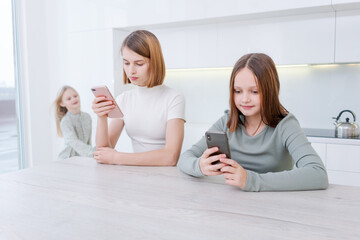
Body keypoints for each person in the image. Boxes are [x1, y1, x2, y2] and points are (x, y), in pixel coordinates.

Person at [177, 53, 328, 192]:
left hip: (274, 206)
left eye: (254, 91)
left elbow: (317, 174)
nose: (245, 99)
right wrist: (200, 166)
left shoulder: (285, 125)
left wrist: (251, 180)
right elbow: (186, 158)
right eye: (238, 91)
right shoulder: (228, 122)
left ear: (270, 91)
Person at [92, 30, 185, 166]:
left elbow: (170, 157)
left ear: (155, 62)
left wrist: (116, 158)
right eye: (126, 63)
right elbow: (103, 152)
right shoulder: (124, 99)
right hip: (135, 174)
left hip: (165, 178)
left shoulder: (174, 98)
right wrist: (101, 117)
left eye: (139, 64)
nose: (131, 71)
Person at [54, 85, 94, 159]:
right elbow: (74, 142)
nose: (73, 99)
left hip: (83, 158)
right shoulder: (65, 121)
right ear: (62, 103)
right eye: (69, 99)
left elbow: (88, 141)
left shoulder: (87, 117)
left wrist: (92, 155)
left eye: (75, 96)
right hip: (68, 159)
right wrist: (92, 152)